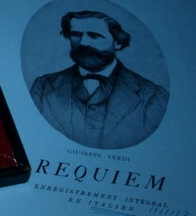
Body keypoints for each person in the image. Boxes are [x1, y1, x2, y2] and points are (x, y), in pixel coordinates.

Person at [29, 10, 168, 149]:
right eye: (76, 34)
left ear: (118, 42)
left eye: (94, 36)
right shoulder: (44, 87)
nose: (83, 43)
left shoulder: (151, 95)